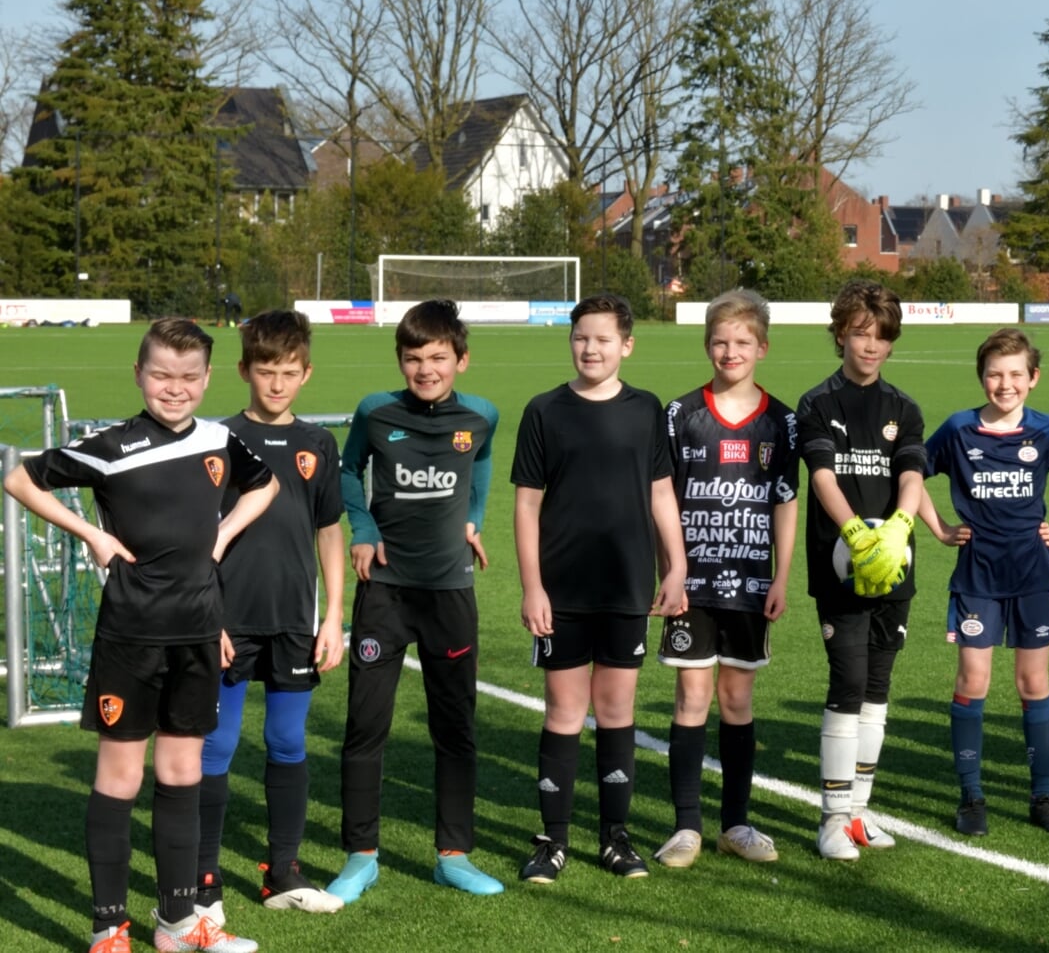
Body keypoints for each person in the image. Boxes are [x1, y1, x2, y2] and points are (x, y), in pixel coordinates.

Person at [3, 318, 277, 953]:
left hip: (199, 633)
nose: (174, 388)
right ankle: (108, 929)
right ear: (138, 374)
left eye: (187, 377)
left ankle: (178, 925)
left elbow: (264, 486)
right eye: (160, 374)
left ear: (207, 378)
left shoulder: (220, 438)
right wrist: (92, 535)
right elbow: (19, 477)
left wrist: (224, 532)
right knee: (120, 777)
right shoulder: (111, 445)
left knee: (183, 772)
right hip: (130, 637)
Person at [328, 299, 503, 902]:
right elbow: (349, 473)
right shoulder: (375, 412)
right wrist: (365, 531)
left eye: (437, 357)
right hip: (386, 591)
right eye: (413, 358)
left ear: (461, 360)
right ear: (399, 360)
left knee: (454, 729)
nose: (425, 369)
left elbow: (479, 467)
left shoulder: (481, 416)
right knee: (364, 725)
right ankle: (361, 855)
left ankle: (453, 854)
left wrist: (473, 520)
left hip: (451, 592)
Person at [512, 293, 686, 884]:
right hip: (562, 591)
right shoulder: (544, 411)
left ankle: (615, 837)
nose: (591, 349)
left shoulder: (646, 409)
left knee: (616, 711)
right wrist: (533, 587)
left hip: (626, 587)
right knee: (564, 711)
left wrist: (677, 566)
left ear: (627, 345)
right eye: (582, 337)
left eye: (604, 339)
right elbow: (527, 505)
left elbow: (662, 493)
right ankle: (552, 841)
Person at [196, 310, 347, 923]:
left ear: (306, 373)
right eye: (266, 371)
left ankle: (283, 870)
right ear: (244, 370)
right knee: (217, 746)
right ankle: (202, 878)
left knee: (286, 741)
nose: (277, 384)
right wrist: (210, 618)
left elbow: (330, 531)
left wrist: (334, 614)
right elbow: (195, 536)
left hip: (294, 621)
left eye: (289, 372)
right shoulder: (215, 439)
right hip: (227, 619)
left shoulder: (319, 444)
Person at [917, 328, 1049, 837]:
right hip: (976, 576)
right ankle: (971, 794)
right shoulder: (958, 429)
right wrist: (939, 527)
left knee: (1033, 683)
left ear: (1033, 379)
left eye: (1016, 374)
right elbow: (912, 472)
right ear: (982, 377)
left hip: (1033, 574)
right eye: (995, 373)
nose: (1005, 383)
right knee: (973, 681)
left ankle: (1043, 795)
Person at [652, 290, 798, 869]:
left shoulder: (781, 421)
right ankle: (686, 826)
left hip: (750, 581)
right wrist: (671, 570)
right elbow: (661, 497)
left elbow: (786, 500)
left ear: (762, 347)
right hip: (693, 582)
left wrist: (781, 576)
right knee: (691, 696)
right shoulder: (680, 414)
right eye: (720, 341)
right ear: (707, 345)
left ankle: (735, 822)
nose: (729, 351)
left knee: (737, 697)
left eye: (742, 342)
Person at [794, 280, 928, 861]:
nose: (869, 346)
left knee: (878, 688)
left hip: (895, 565)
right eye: (858, 334)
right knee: (847, 684)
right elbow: (823, 475)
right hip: (840, 564)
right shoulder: (817, 403)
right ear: (840, 334)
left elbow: (911, 475)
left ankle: (859, 813)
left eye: (880, 337)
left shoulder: (905, 408)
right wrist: (855, 532)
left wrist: (898, 528)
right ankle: (830, 818)